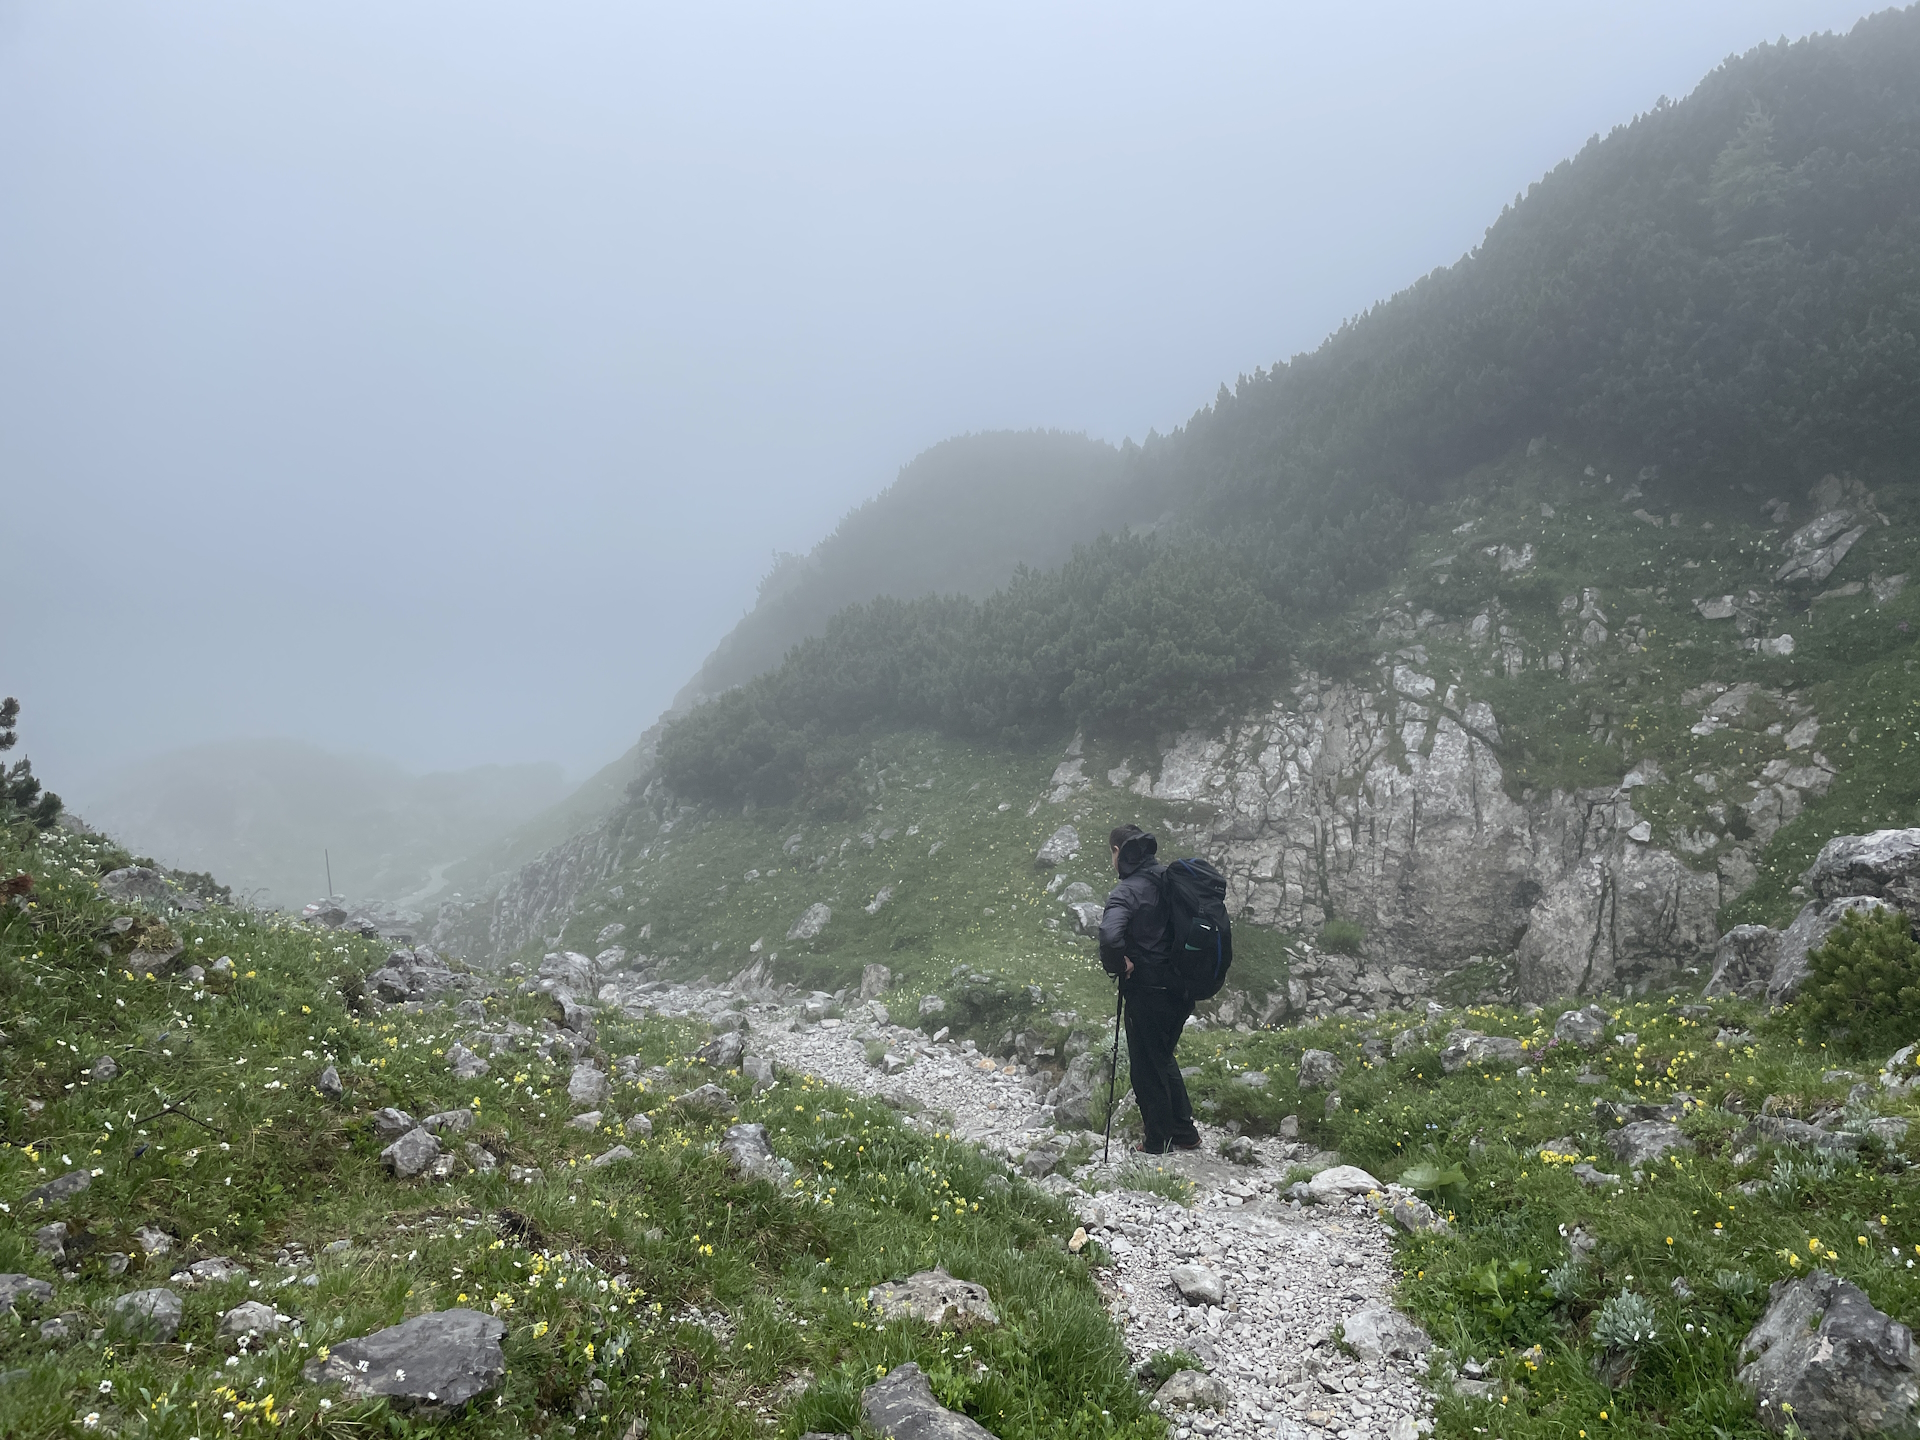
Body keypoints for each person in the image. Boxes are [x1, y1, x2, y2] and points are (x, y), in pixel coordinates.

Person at [1097, 823, 1200, 1154]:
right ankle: (1184, 1131)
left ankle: (1158, 1141)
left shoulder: (1126, 891)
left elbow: (1110, 936)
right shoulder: (1169, 879)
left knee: (1144, 1066)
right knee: (1161, 1055)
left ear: (1117, 852)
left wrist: (1119, 964)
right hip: (1183, 987)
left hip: (1149, 990)